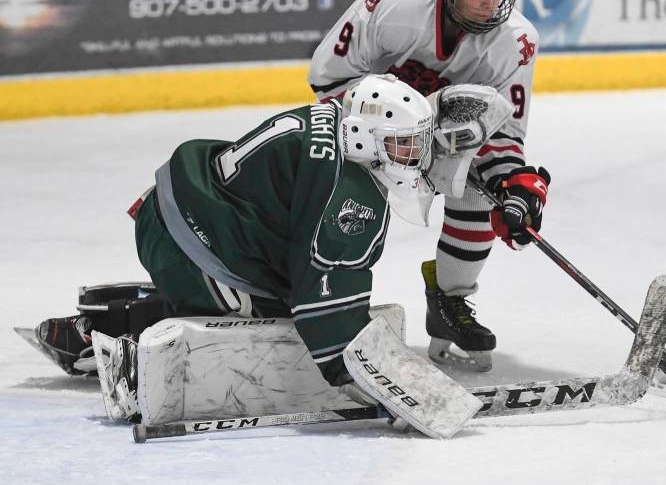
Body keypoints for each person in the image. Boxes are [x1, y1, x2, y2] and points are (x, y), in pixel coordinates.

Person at [32, 74, 436, 415]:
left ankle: (102, 320)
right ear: (365, 137)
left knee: (272, 299)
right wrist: (370, 382)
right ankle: (121, 349)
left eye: (417, 143)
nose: (412, 156)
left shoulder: (331, 120)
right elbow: (323, 293)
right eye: (403, 144)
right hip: (191, 247)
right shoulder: (349, 189)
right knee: (263, 325)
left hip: (174, 213)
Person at [308, 0, 549, 372]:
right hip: (366, 132)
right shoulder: (392, 1)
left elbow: (502, 133)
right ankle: (321, 297)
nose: (490, 3)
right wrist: (401, 121)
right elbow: (328, 83)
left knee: (481, 190)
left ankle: (448, 303)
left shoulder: (516, 41)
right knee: (336, 193)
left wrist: (516, 186)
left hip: (440, 141)